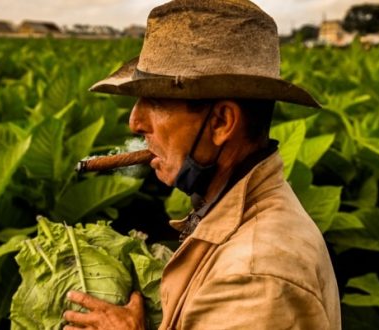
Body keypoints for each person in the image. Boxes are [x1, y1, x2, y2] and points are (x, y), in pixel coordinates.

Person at [63, 0, 341, 329]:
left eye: (156, 102)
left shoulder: (256, 279)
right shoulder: (226, 208)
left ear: (221, 122)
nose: (135, 122)